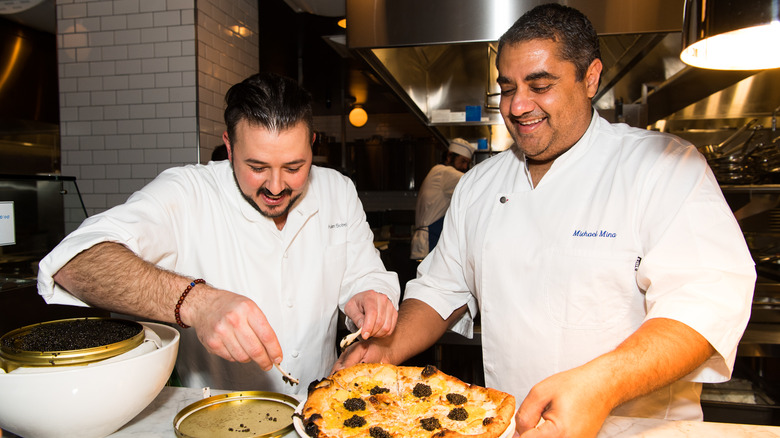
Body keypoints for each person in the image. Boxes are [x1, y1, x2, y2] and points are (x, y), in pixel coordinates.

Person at [336, 4, 755, 437]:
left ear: (590, 78)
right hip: (516, 427)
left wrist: (601, 386)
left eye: (540, 85)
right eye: (507, 88)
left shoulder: (662, 166)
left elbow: (705, 301)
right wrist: (387, 347)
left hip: (636, 429)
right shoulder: (480, 183)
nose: (517, 106)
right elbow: (442, 288)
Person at [37, 72, 400, 396]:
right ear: (229, 147)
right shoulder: (187, 191)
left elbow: (364, 274)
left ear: (312, 145)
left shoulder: (338, 190)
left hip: (324, 407)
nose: (276, 186)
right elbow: (75, 262)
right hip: (218, 416)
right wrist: (197, 302)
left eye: (294, 166)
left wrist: (369, 296)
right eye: (257, 167)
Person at [410, 138, 475, 260]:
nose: (465, 166)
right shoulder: (444, 172)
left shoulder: (436, 171)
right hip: (429, 242)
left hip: (428, 241)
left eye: (467, 163)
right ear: (449, 156)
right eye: (462, 161)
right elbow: (474, 182)